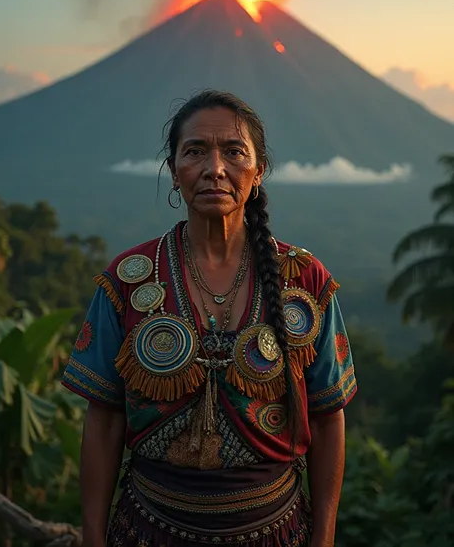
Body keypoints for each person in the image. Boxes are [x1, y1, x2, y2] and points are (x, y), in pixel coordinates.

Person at [62, 89, 357, 547]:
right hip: (147, 531)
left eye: (234, 152)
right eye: (195, 151)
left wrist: (323, 538)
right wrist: (93, 538)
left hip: (276, 532)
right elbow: (103, 421)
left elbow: (326, 418)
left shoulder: (305, 280)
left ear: (258, 172)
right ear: (173, 171)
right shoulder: (127, 281)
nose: (214, 169)